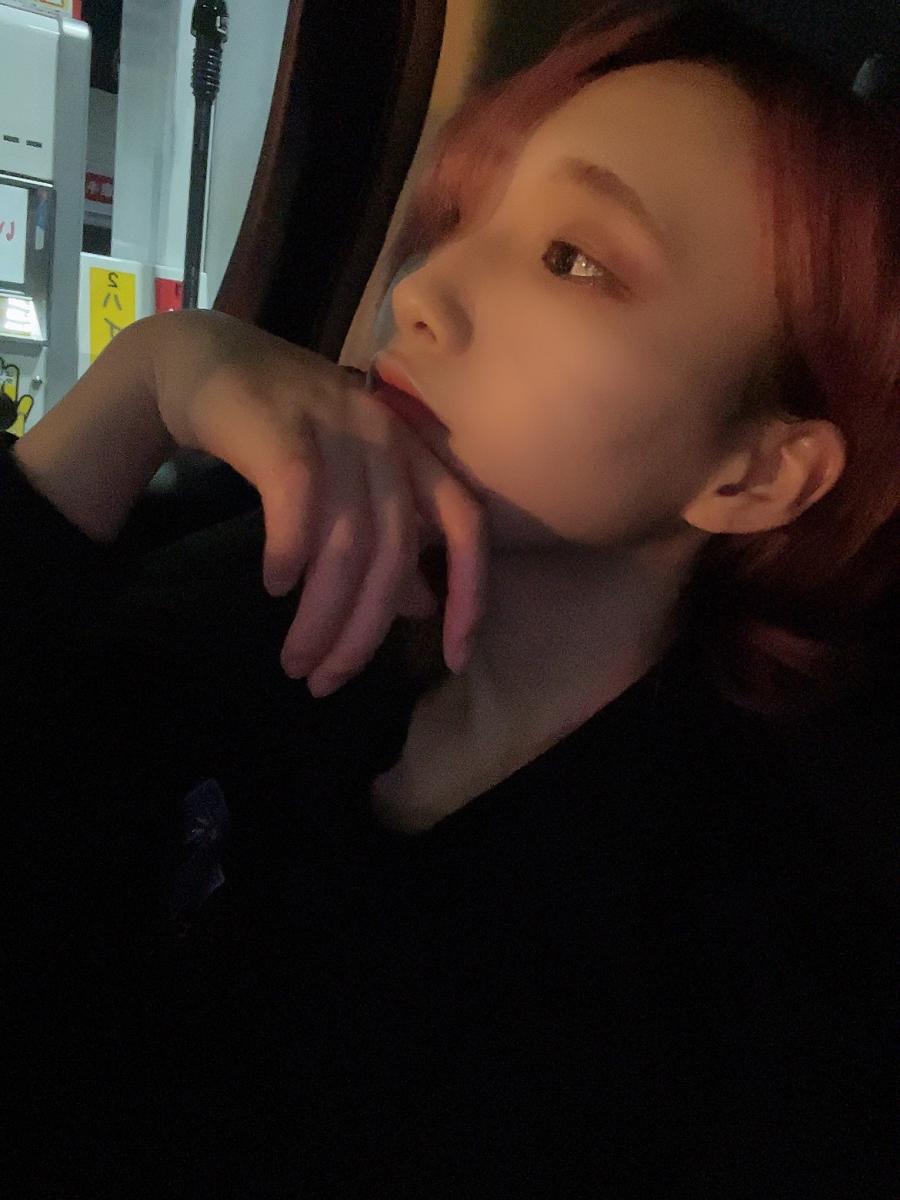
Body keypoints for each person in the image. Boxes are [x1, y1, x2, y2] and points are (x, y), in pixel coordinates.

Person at [3, 1, 897, 1194]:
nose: (424, 286)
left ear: (756, 474)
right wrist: (149, 378)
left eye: (574, 260)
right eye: (461, 218)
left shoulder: (748, 974)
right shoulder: (249, 588)